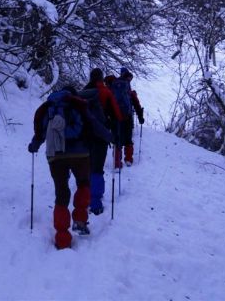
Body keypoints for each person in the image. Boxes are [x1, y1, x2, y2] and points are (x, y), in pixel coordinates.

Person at [28, 86, 111, 249]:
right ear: (73, 94)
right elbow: (93, 124)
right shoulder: (78, 104)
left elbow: (40, 132)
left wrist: (34, 145)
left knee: (61, 193)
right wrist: (109, 136)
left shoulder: (49, 108)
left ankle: (62, 239)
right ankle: (80, 220)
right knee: (83, 184)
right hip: (80, 154)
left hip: (55, 155)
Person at [80, 68, 123, 215]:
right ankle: (96, 203)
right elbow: (117, 115)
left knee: (86, 168)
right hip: (101, 135)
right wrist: (116, 135)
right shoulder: (105, 92)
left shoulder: (82, 92)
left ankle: (84, 199)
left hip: (84, 135)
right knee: (97, 168)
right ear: (102, 78)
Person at [110, 67, 145, 168]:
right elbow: (137, 104)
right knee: (128, 138)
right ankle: (128, 159)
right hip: (128, 117)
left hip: (116, 117)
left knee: (117, 139)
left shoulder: (114, 86)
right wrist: (140, 117)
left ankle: (117, 163)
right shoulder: (129, 91)